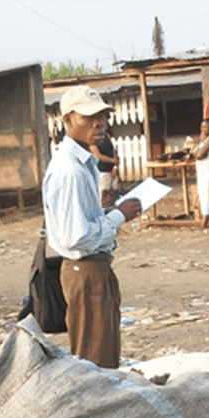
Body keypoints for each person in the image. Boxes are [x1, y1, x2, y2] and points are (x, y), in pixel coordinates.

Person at [43, 84, 142, 368]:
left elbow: (80, 220)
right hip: (84, 270)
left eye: (103, 116)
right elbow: (77, 237)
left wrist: (104, 210)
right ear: (68, 120)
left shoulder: (82, 162)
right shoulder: (71, 169)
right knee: (94, 363)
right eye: (89, 117)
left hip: (93, 268)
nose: (100, 123)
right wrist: (118, 215)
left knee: (104, 356)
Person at [93, 134, 120, 208]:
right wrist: (113, 161)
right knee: (102, 199)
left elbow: (113, 150)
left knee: (113, 197)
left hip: (111, 172)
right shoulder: (91, 139)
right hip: (101, 172)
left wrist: (115, 166)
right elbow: (98, 156)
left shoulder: (106, 136)